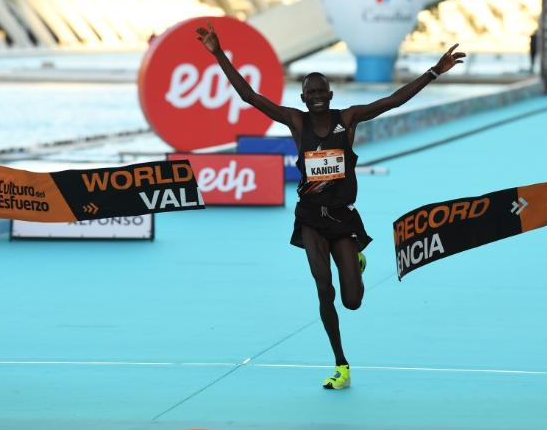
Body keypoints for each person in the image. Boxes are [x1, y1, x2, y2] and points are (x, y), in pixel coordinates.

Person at [196, 21, 464, 390]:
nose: (318, 96)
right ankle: (341, 364)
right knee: (324, 288)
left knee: (352, 301)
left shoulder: (348, 119)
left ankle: (355, 258)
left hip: (343, 217)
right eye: (311, 92)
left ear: (331, 94)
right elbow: (249, 96)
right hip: (309, 218)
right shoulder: (295, 120)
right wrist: (217, 53)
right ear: (304, 99)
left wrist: (435, 71)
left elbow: (393, 101)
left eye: (322, 90)